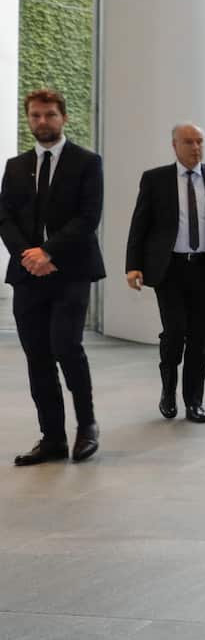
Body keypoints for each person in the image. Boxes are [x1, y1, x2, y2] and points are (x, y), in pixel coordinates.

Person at [0, 88, 105, 465]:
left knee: (66, 346)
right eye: (35, 115)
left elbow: (88, 218)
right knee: (37, 357)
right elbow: (5, 217)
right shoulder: (15, 166)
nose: (42, 122)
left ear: (64, 117)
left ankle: (87, 427)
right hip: (28, 274)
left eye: (49, 115)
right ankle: (53, 438)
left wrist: (49, 251)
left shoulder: (87, 162)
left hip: (71, 270)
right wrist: (29, 256)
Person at [125, 123, 205, 424]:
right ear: (174, 145)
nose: (195, 147)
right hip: (169, 270)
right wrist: (133, 265)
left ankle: (194, 401)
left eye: (199, 141)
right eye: (188, 142)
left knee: (199, 338)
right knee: (174, 333)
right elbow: (139, 226)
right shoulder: (155, 180)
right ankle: (168, 392)